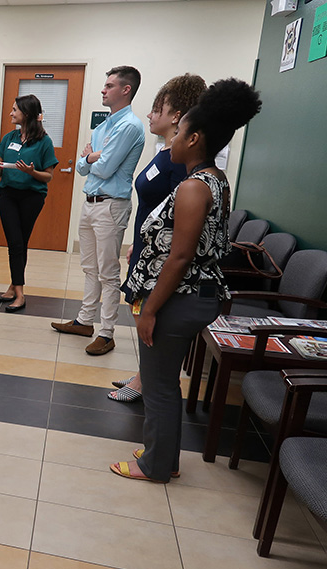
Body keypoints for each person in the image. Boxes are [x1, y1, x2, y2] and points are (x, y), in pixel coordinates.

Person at [110, 79, 261, 482]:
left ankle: (155, 465)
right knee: (164, 382)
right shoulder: (214, 178)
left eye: (179, 132)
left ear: (193, 139)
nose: (173, 139)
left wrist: (150, 310)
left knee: (158, 384)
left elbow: (179, 258)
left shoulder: (194, 187)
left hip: (179, 299)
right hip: (191, 296)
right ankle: (164, 454)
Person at [109, 74, 207, 402]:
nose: (151, 115)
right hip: (147, 247)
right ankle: (143, 374)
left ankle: (145, 381)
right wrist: (138, 243)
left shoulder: (179, 162)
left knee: (150, 317)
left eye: (157, 109)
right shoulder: (164, 152)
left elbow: (178, 216)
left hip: (162, 256)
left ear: (176, 116)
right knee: (141, 312)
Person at [51, 66, 145, 356]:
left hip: (111, 206)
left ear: (126, 90)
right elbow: (81, 167)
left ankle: (107, 332)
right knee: (89, 267)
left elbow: (101, 167)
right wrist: (93, 158)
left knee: (108, 271)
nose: (103, 90)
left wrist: (91, 157)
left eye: (109, 85)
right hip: (90, 202)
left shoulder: (129, 125)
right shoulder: (103, 126)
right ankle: (84, 320)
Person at [0, 95, 58, 312]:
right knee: (15, 243)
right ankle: (19, 292)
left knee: (20, 242)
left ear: (26, 114)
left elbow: (48, 176)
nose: (11, 113)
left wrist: (31, 172)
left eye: (14, 110)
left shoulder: (44, 142)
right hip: (8, 195)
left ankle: (14, 288)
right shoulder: (9, 137)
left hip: (32, 197)